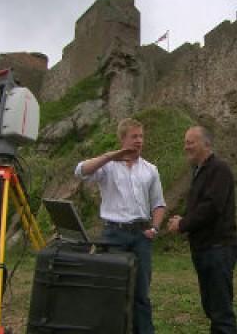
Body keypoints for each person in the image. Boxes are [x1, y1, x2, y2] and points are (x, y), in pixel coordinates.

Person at [74, 118, 166, 334]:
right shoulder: (108, 167)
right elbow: (80, 171)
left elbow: (159, 203)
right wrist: (110, 156)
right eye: (134, 136)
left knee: (141, 293)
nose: (139, 141)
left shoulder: (150, 170)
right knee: (113, 289)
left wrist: (155, 227)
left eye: (141, 136)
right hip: (114, 235)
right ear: (122, 138)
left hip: (141, 235)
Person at [168, 126, 237, 334]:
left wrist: (182, 224)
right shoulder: (199, 171)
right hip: (205, 248)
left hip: (218, 249)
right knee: (212, 307)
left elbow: (211, 207)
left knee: (221, 312)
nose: (186, 146)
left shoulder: (220, 169)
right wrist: (183, 218)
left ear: (206, 144)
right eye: (185, 142)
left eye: (191, 142)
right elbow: (199, 207)